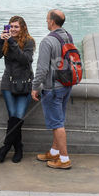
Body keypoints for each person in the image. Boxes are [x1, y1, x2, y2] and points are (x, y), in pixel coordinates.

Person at [32, 9, 74, 170]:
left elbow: (42, 69)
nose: (46, 21)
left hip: (52, 88)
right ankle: (54, 151)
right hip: (66, 85)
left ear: (51, 22)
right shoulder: (68, 36)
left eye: (47, 19)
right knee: (59, 120)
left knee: (57, 124)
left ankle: (64, 159)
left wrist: (35, 87)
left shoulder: (47, 41)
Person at [0, 15, 35, 162]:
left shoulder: (29, 41)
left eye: (16, 27)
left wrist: (12, 42)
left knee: (17, 117)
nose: (13, 29)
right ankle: (18, 148)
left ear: (22, 27)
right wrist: (1, 40)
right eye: (11, 27)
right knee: (13, 117)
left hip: (25, 84)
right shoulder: (5, 41)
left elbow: (25, 60)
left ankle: (5, 148)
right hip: (8, 83)